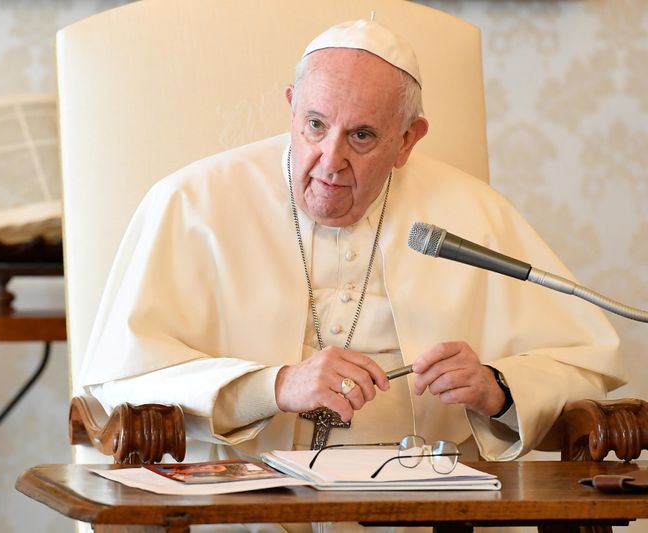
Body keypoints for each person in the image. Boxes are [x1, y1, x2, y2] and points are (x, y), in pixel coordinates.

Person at [79, 18, 624, 477]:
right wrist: (275, 385)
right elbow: (119, 381)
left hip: (422, 510)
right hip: (242, 507)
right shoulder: (192, 204)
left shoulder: (472, 215)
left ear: (408, 139)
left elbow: (586, 361)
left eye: (362, 136)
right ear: (291, 109)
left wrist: (499, 389)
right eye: (315, 125)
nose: (331, 160)